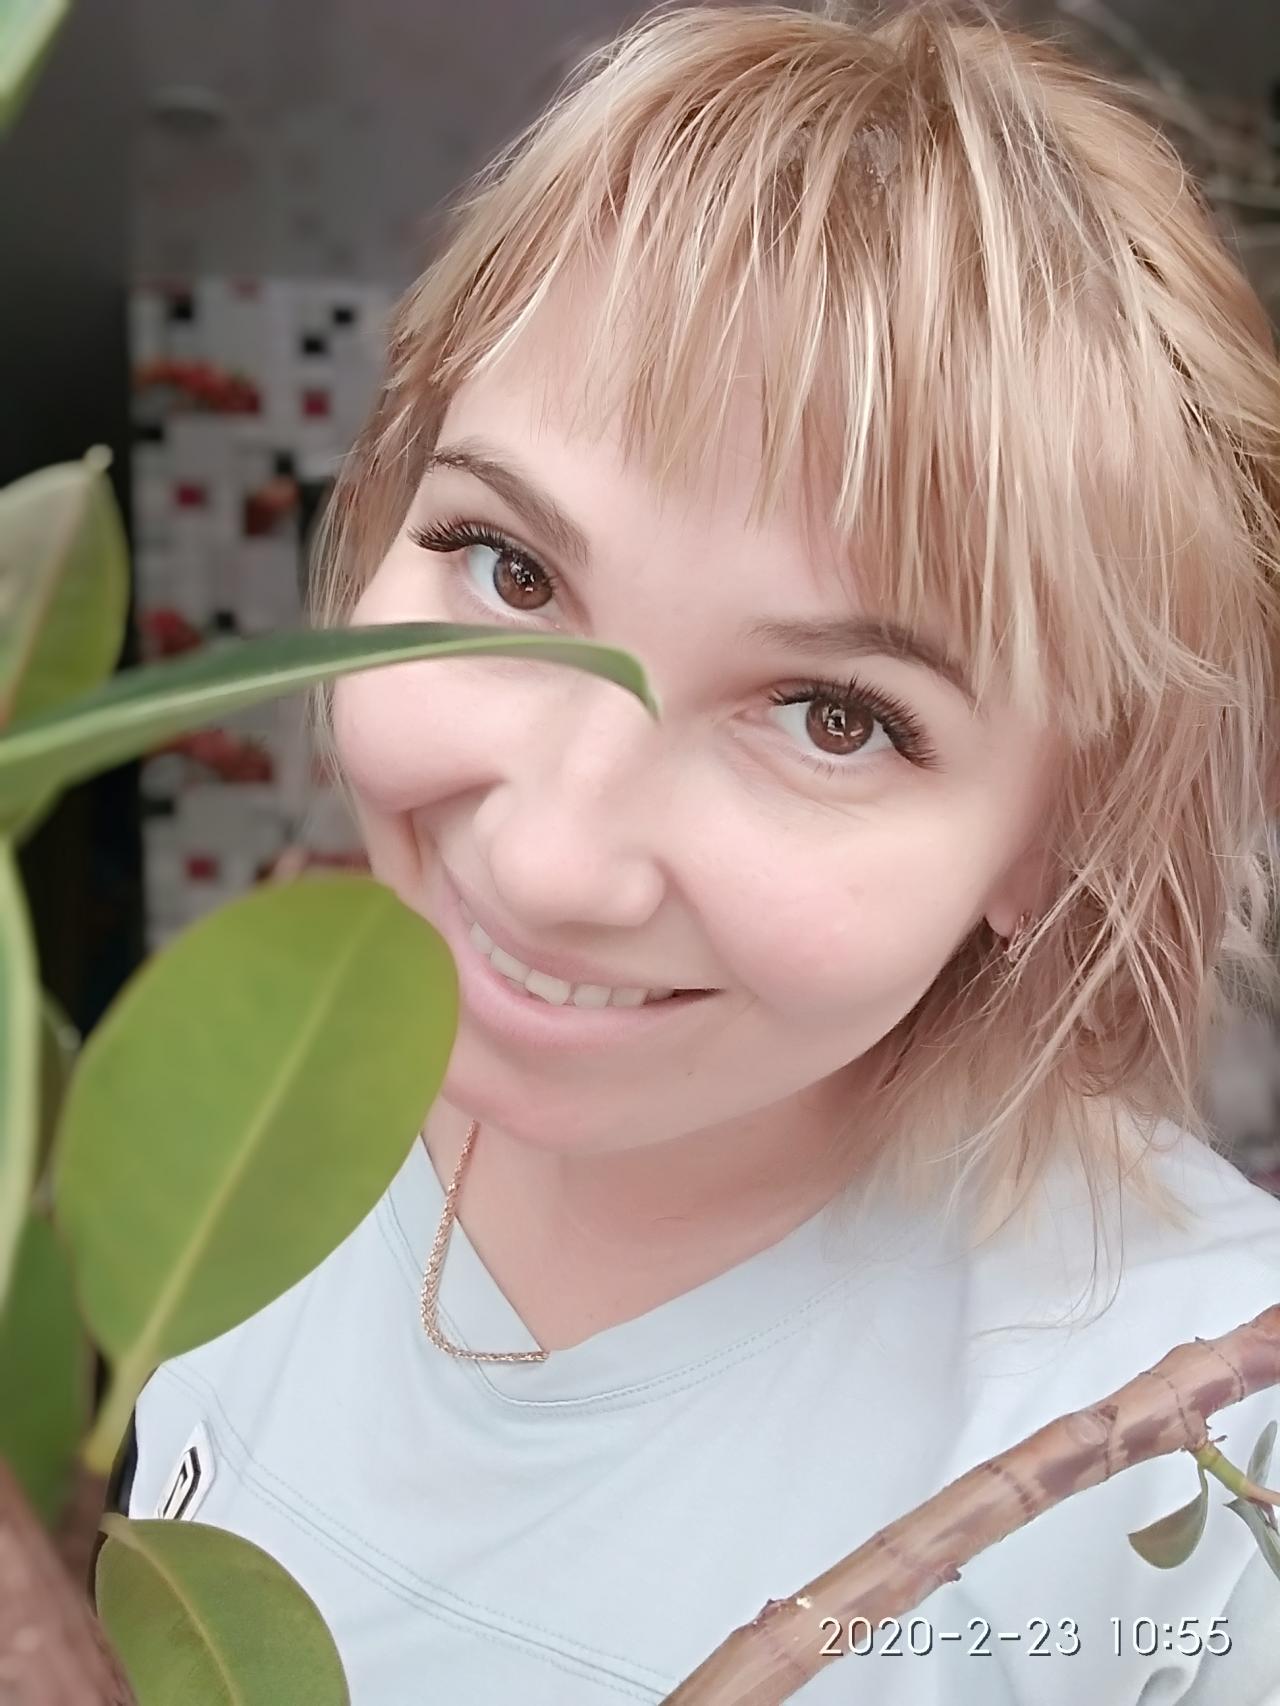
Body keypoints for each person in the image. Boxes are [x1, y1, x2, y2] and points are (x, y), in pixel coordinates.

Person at [123, 4, 1280, 1702]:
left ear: (1059, 832)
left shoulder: (1204, 1446)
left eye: (833, 714)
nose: (549, 860)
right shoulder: (213, 1130)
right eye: (511, 567)